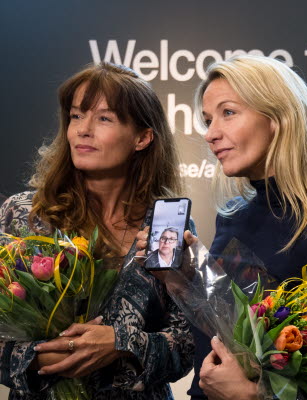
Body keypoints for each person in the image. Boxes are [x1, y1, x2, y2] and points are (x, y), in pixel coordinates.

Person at [148, 54, 307, 400]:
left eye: (228, 113)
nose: (211, 134)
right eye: (208, 120)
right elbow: (224, 335)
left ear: (278, 118)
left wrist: (257, 396)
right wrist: (184, 278)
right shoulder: (232, 218)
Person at [0, 63, 193, 399]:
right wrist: (40, 357)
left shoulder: (168, 225)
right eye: (76, 116)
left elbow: (187, 346)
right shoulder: (24, 216)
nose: (82, 130)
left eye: (104, 118)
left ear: (142, 137)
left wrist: (122, 344)